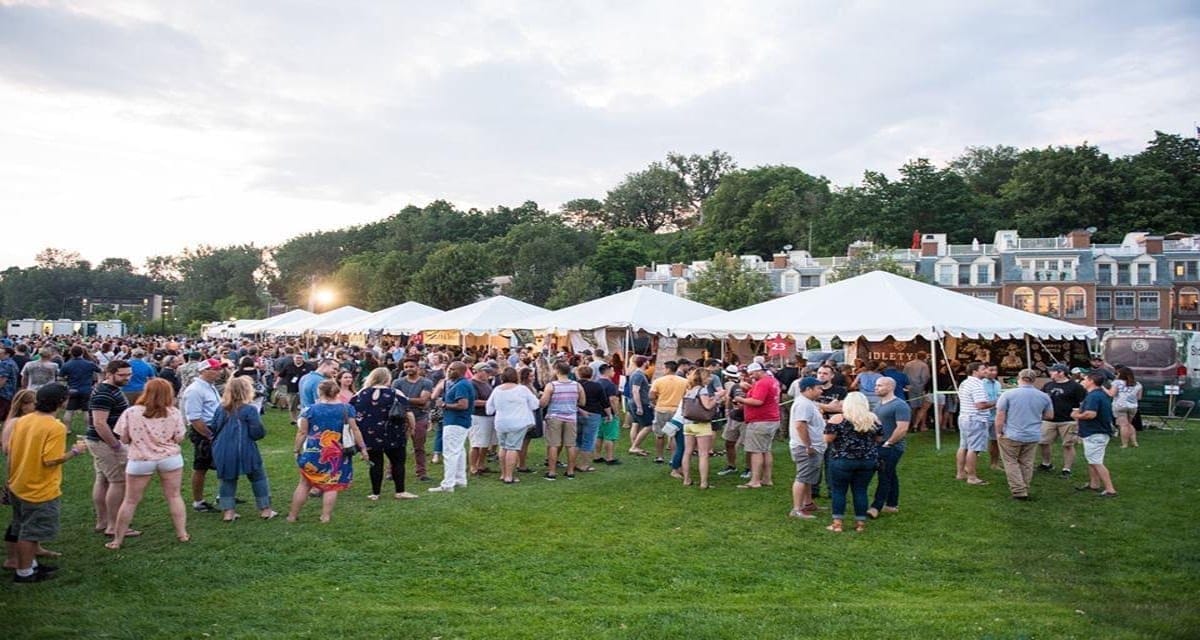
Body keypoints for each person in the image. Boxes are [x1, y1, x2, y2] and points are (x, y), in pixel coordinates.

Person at [5, 383, 89, 582]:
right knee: (31, 532)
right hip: (39, 486)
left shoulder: (24, 420)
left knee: (20, 524)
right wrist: (75, 451)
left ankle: (30, 564)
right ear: (61, 402)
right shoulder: (55, 426)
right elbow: (50, 459)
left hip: (18, 482)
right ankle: (24, 573)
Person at [105, 379, 190, 548]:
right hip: (170, 458)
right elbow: (179, 437)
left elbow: (123, 437)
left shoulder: (131, 412)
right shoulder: (173, 412)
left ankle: (117, 539)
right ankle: (182, 533)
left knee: (130, 500)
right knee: (174, 496)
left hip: (140, 459)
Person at [287, 379, 367, 522]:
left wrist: (296, 450)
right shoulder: (346, 408)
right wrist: (363, 448)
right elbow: (355, 429)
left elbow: (302, 433)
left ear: (319, 392)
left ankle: (292, 516)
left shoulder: (309, 410)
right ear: (336, 392)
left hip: (313, 451)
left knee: (304, 484)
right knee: (332, 485)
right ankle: (325, 516)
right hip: (337, 452)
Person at [3, 390, 61, 567]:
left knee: (26, 520)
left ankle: (34, 550)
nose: (37, 406)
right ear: (23, 405)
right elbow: (7, 449)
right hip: (20, 474)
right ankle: (15, 560)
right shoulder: (15, 422)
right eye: (33, 403)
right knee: (22, 522)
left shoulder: (32, 421)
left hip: (23, 474)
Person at [209, 376, 276, 521]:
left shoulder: (220, 409)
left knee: (227, 479)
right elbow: (257, 432)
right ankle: (265, 509)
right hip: (244, 448)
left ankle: (228, 512)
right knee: (258, 476)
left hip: (223, 448)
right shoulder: (249, 410)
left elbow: (213, 427)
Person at [87, 360, 137, 535]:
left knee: (103, 480)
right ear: (109, 373)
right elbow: (100, 423)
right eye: (122, 375)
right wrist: (116, 445)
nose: (127, 378)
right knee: (118, 481)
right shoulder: (104, 393)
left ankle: (103, 521)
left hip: (101, 442)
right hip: (105, 442)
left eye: (129, 374)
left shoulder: (110, 389)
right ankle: (113, 525)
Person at [352, 367, 417, 500]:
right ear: (387, 378)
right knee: (398, 462)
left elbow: (350, 409)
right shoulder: (395, 393)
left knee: (375, 463)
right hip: (393, 433)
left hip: (370, 434)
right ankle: (400, 491)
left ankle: (375, 493)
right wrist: (412, 428)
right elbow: (408, 412)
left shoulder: (361, 393)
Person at [822, 391, 880, 533]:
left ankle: (837, 523)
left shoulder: (837, 419)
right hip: (867, 460)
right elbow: (878, 439)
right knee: (861, 490)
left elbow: (828, 439)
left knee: (839, 491)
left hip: (842, 459)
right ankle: (860, 523)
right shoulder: (873, 419)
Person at [994, 369, 1053, 501]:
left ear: (1019, 378)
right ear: (1034, 379)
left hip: (1011, 433)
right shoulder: (1044, 396)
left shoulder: (1008, 394)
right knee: (1027, 462)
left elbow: (1000, 415)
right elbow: (1049, 415)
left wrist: (998, 431)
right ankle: (1024, 486)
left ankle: (1019, 490)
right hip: (1033, 434)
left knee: (1010, 462)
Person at [181, 358, 226, 513]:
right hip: (204, 431)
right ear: (204, 371)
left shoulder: (209, 386)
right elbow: (194, 418)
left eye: (219, 368)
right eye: (216, 369)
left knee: (222, 463)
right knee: (201, 466)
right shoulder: (195, 390)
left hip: (213, 429)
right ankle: (198, 501)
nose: (219, 371)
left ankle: (223, 495)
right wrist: (208, 435)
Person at [866, 376, 910, 518]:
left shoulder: (900, 405)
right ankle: (892, 504)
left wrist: (889, 443)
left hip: (892, 446)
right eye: (876, 385)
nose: (876, 388)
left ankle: (876, 507)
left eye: (880, 386)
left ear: (890, 387)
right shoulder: (879, 404)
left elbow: (902, 428)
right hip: (881, 443)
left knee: (884, 474)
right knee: (890, 474)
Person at [486, 367, 539, 484]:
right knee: (513, 448)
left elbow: (489, 409)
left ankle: (503, 473)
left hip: (501, 422)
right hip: (518, 422)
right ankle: (509, 476)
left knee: (503, 447)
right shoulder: (522, 389)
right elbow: (535, 405)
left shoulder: (497, 390)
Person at [734, 362, 780, 489]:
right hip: (771, 419)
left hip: (761, 420)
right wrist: (749, 389)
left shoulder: (763, 382)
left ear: (759, 371)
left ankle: (755, 481)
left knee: (756, 451)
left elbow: (757, 401)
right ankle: (767, 478)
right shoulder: (772, 381)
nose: (751, 376)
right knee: (766, 450)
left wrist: (740, 399)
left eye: (752, 373)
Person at [430, 362, 474, 493]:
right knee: (459, 451)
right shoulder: (459, 384)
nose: (449, 371)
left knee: (450, 452)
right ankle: (460, 480)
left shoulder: (461, 385)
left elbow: (463, 405)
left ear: (461, 371)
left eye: (452, 369)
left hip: (455, 421)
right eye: (449, 369)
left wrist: (444, 405)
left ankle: (448, 484)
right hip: (457, 421)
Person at [1073, 372, 1118, 497]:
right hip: (1096, 432)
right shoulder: (1100, 394)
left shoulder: (1093, 396)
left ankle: (1110, 489)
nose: (1082, 381)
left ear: (1091, 381)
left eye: (1085, 379)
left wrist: (1077, 415)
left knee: (1096, 461)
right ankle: (1094, 484)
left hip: (1095, 433)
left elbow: (1090, 414)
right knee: (1092, 460)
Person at [1038, 364, 1086, 478]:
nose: (1050, 373)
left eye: (1053, 371)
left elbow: (1083, 403)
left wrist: (1079, 419)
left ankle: (1067, 469)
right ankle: (1046, 464)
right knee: (1043, 442)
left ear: (1061, 372)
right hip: (1049, 420)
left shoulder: (1075, 386)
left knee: (1068, 445)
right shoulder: (1048, 385)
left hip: (1068, 420)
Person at [788, 377, 826, 519]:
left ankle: (808, 503)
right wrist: (808, 445)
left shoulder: (808, 403)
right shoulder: (803, 404)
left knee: (808, 476)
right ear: (808, 389)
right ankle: (797, 509)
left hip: (812, 446)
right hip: (805, 447)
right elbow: (800, 425)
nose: (821, 391)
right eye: (818, 388)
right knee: (802, 477)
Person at [540, 362, 584, 480]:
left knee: (553, 444)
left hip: (554, 416)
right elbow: (583, 402)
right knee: (570, 445)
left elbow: (543, 403)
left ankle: (552, 472)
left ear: (557, 371)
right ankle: (570, 471)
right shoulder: (577, 385)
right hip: (571, 417)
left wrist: (540, 398)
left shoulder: (551, 385)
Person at [679, 367, 720, 489]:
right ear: (703, 378)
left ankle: (687, 479)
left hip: (687, 423)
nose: (710, 378)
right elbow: (707, 406)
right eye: (708, 376)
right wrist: (717, 399)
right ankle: (703, 482)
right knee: (703, 454)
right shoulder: (703, 390)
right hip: (701, 424)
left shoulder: (689, 390)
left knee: (687, 452)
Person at [394, 358, 433, 482]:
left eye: (411, 366)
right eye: (406, 367)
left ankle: (421, 472)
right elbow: (394, 399)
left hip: (420, 417)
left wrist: (404, 398)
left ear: (418, 367)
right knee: (397, 446)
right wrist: (414, 400)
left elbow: (423, 401)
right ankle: (392, 471)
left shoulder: (426, 382)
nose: (408, 369)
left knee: (419, 447)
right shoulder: (397, 382)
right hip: (400, 417)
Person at [955, 362, 993, 486]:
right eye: (983, 369)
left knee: (963, 446)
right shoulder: (977, 385)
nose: (986, 371)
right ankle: (972, 477)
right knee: (974, 448)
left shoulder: (964, 383)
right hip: (976, 419)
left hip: (964, 417)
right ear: (975, 371)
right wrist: (997, 402)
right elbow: (980, 405)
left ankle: (960, 473)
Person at [645, 361, 689, 464]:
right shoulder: (684, 381)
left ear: (668, 369)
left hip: (661, 409)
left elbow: (651, 396)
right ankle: (674, 458)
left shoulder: (658, 381)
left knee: (659, 434)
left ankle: (659, 456)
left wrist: (655, 402)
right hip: (677, 411)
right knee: (674, 435)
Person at [575, 365, 609, 473]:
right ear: (592, 374)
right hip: (593, 414)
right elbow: (604, 402)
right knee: (589, 440)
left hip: (577, 413)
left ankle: (573, 463)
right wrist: (609, 414)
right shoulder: (597, 386)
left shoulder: (575, 385)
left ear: (579, 374)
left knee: (577, 440)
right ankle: (584, 465)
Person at [59, 345, 101, 433]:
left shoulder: (67, 364)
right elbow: (100, 371)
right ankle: (88, 429)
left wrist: (67, 381)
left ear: (71, 353)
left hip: (72, 389)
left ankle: (67, 429)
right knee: (86, 410)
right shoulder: (89, 364)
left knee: (69, 410)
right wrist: (98, 383)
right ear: (82, 353)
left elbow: (60, 377)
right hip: (86, 389)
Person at [468, 363, 496, 476]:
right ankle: (473, 466)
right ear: (478, 371)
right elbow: (473, 401)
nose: (488, 374)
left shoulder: (486, 383)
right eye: (486, 372)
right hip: (478, 416)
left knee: (486, 442)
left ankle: (481, 464)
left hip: (488, 416)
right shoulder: (472, 384)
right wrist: (490, 403)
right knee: (476, 442)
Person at [593, 362, 622, 465]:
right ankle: (609, 458)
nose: (614, 372)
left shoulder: (596, 383)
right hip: (608, 413)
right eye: (612, 370)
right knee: (610, 436)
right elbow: (612, 400)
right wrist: (616, 412)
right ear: (608, 371)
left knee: (599, 435)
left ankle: (597, 456)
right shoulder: (610, 385)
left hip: (597, 413)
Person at [626, 356, 654, 457]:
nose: (649, 363)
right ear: (644, 363)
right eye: (648, 361)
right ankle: (634, 447)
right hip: (640, 403)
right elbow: (635, 390)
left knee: (636, 423)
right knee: (649, 425)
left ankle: (635, 446)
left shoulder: (637, 374)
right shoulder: (639, 375)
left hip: (634, 402)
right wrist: (639, 407)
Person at [1111, 366, 1142, 448]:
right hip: (1133, 406)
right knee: (1129, 424)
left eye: (1117, 373)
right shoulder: (1138, 384)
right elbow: (1139, 397)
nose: (1116, 375)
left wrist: (1103, 389)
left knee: (1123, 425)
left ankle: (1124, 444)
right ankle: (1134, 442)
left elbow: (1112, 394)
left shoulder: (1116, 382)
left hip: (1120, 405)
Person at [902, 351, 932, 431]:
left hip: (909, 388)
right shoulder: (924, 365)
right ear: (924, 357)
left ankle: (911, 424)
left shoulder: (908, 364)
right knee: (923, 407)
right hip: (920, 388)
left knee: (912, 407)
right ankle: (921, 425)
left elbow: (904, 375)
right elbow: (925, 377)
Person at [278, 353, 310, 425]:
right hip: (291, 388)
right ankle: (294, 419)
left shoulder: (308, 366)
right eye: (297, 358)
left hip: (304, 388)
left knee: (304, 405)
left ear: (303, 358)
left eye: (300, 358)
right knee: (292, 405)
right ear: (293, 358)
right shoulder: (288, 366)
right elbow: (281, 375)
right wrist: (277, 383)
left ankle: (302, 418)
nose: (298, 359)